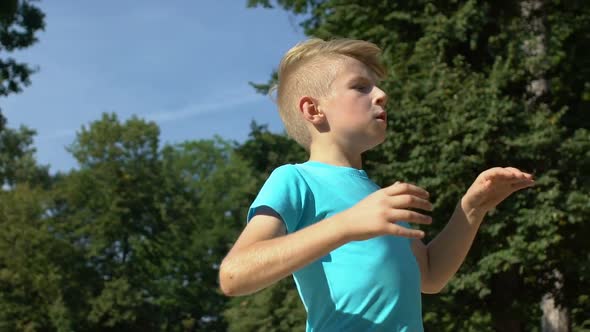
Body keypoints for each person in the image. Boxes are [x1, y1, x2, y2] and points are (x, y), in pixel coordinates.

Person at [218, 38, 535, 331]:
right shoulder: (295, 179)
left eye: (377, 87)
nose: (382, 95)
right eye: (360, 87)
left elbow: (430, 275)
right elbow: (234, 274)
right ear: (313, 110)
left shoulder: (378, 199)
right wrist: (347, 224)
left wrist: (472, 209)